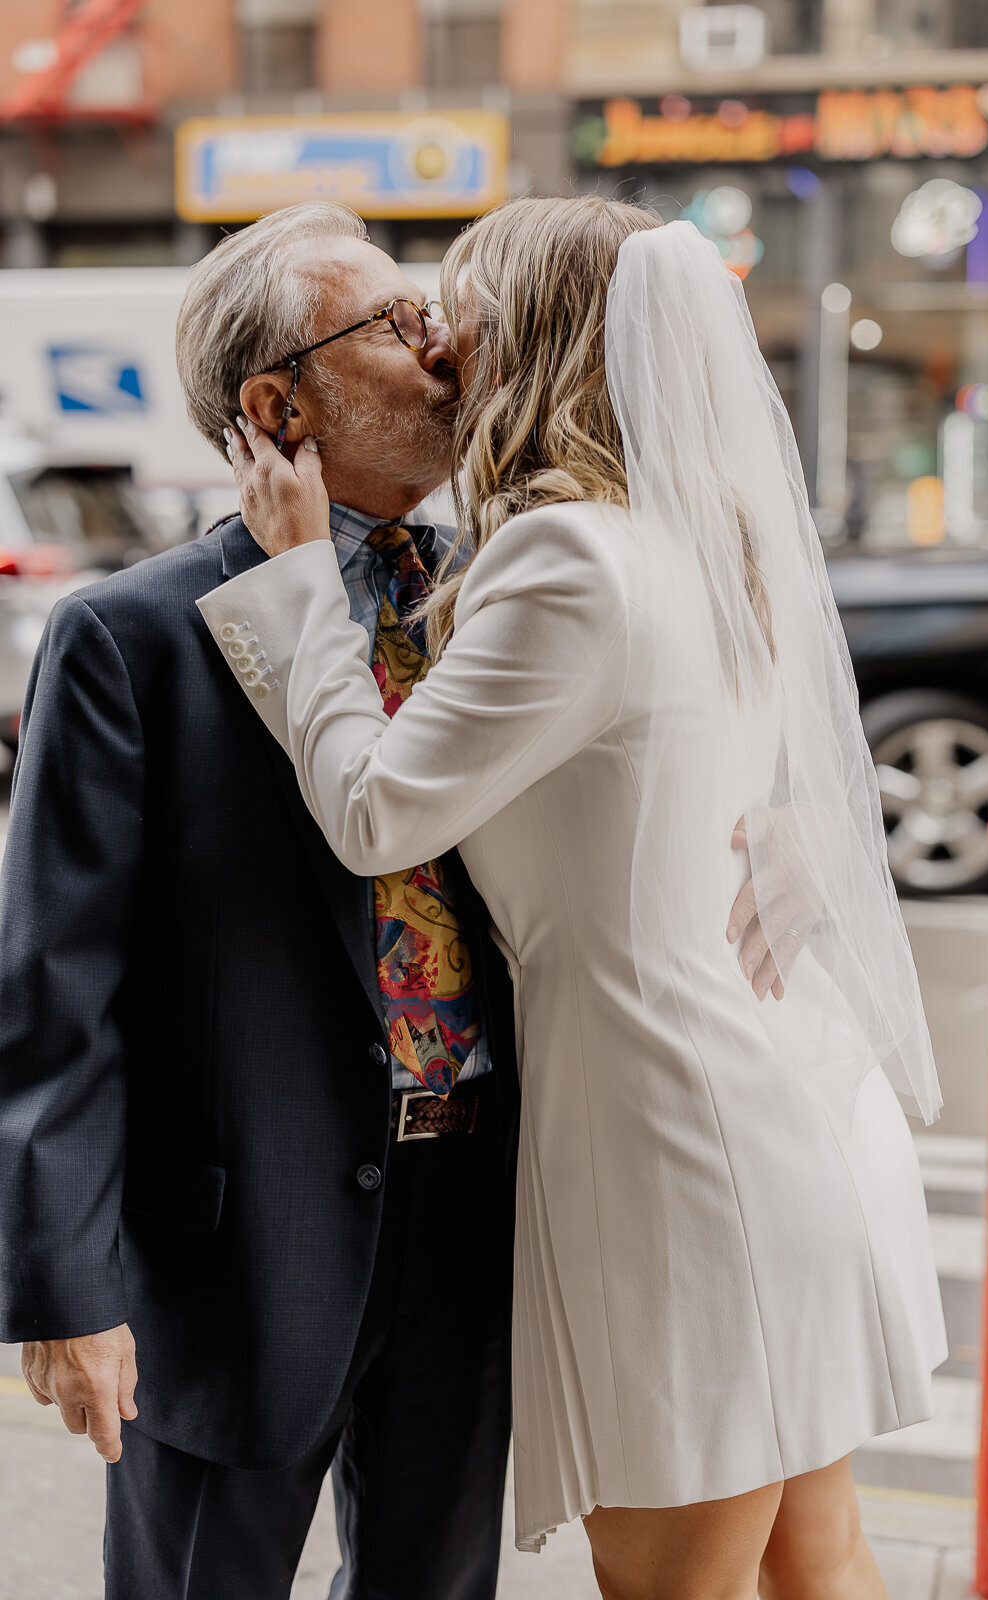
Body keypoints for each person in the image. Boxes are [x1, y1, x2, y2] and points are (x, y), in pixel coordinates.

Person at [206, 195, 948, 1600]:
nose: (434, 339)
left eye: (453, 307)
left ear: (531, 333)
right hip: (774, 1102)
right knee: (818, 1556)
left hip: (679, 1144)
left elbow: (375, 812)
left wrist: (303, 579)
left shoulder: (563, 556)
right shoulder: (686, 534)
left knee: (675, 1582)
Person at [0, 202, 523, 1600]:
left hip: (472, 1211)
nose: (444, 352)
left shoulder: (503, 604)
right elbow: (61, 992)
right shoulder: (132, 636)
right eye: (398, 327)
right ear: (279, 403)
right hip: (232, 1246)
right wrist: (67, 1288)